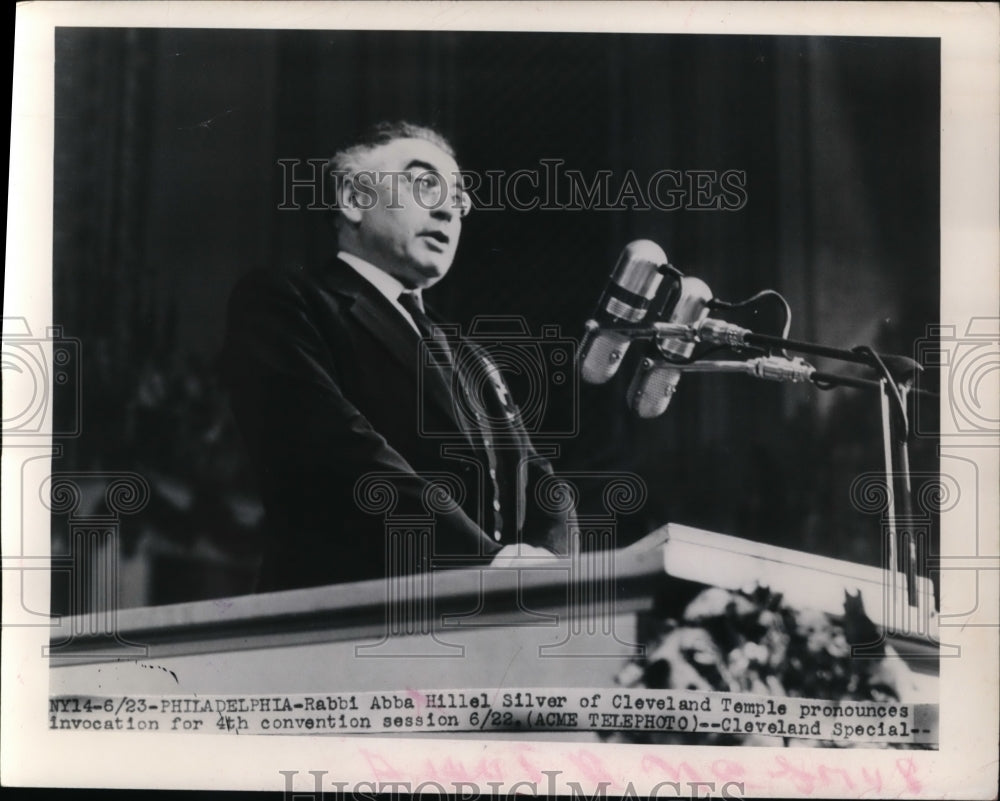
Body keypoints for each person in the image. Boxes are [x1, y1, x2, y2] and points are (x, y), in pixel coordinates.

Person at [222, 121, 572, 591]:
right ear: (353, 200)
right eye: (425, 183)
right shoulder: (285, 303)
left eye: (459, 198)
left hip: (492, 622)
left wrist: (555, 573)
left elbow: (542, 485)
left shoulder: (469, 354)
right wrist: (488, 564)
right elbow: (340, 451)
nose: (449, 209)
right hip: (347, 620)